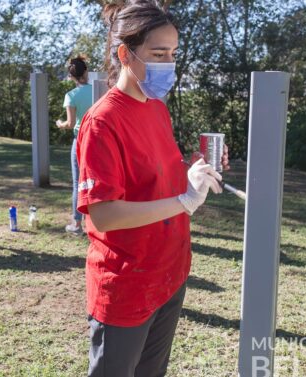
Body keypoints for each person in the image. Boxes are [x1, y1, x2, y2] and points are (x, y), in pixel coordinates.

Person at [75, 1, 230, 376]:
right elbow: (104, 214)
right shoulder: (102, 121)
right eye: (158, 53)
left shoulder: (157, 108)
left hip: (169, 274)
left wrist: (195, 170)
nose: (168, 63)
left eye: (173, 54)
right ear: (125, 54)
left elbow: (161, 175)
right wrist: (183, 200)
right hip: (126, 285)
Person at [56, 55, 93, 235]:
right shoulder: (98, 91)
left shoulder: (71, 95)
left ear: (71, 77)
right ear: (86, 72)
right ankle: (94, 223)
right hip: (98, 141)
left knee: (78, 182)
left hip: (80, 141)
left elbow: (70, 124)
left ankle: (77, 225)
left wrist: (59, 123)